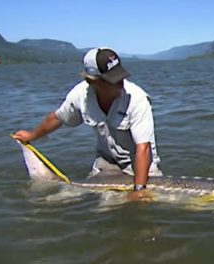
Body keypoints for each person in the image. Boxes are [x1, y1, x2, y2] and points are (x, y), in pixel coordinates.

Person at [13, 47, 162, 198]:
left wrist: (139, 190)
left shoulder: (137, 98)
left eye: (120, 76)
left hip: (140, 164)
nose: (120, 83)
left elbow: (143, 148)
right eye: (113, 80)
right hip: (107, 163)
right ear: (93, 81)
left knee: (144, 206)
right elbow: (58, 118)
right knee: (99, 210)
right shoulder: (80, 95)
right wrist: (31, 136)